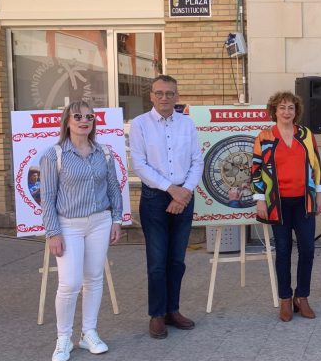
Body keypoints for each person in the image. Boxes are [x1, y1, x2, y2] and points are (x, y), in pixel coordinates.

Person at [40, 101, 123, 361]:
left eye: (89, 116)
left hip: (100, 221)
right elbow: (48, 197)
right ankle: (63, 338)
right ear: (67, 121)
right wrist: (53, 232)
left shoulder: (104, 153)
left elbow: (113, 188)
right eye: (78, 116)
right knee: (70, 283)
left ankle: (88, 333)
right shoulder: (54, 155)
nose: (84, 120)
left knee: (94, 278)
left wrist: (117, 220)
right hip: (68, 225)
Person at [129, 75, 203, 339]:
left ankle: (173, 310)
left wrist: (184, 193)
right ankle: (157, 315)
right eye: (159, 93)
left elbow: (197, 161)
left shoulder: (187, 124)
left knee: (177, 260)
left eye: (169, 93)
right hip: (155, 199)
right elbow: (139, 165)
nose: (164, 98)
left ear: (176, 96)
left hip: (184, 196)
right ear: (151, 95)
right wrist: (171, 190)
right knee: (157, 262)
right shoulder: (139, 125)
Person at [251, 91, 321, 322]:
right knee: (283, 251)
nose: (286, 112)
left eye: (290, 108)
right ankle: (285, 298)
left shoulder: (306, 134)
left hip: (304, 201)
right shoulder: (264, 137)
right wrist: (260, 199)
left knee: (308, 250)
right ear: (274, 110)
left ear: (296, 111)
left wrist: (320, 193)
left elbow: (316, 165)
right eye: (282, 107)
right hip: (277, 203)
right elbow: (255, 170)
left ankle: (301, 297)